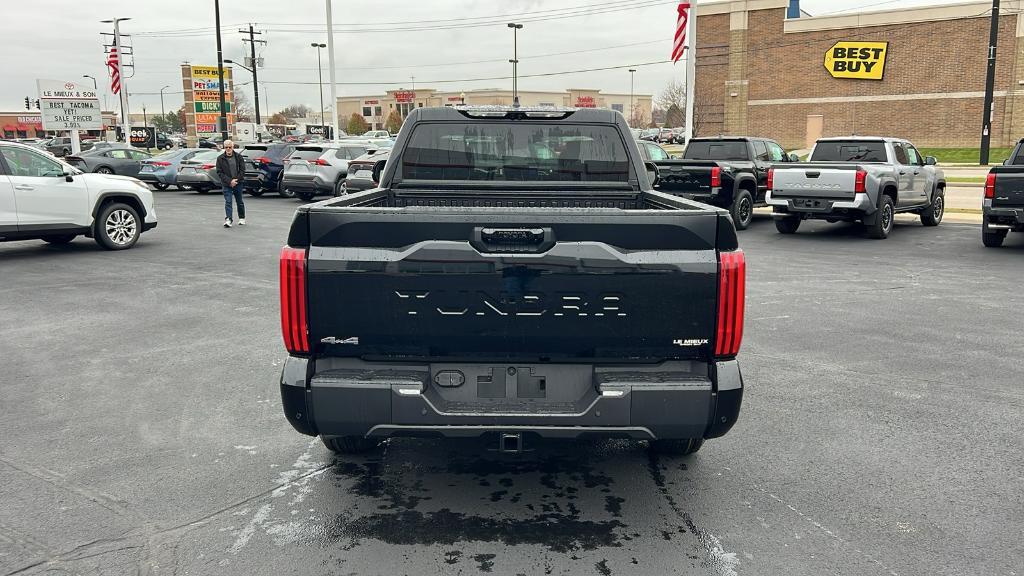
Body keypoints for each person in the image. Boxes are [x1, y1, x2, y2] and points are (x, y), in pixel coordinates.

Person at [215, 140, 246, 228]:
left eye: (230, 147)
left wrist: (236, 180)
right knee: (228, 201)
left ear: (233, 147)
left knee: (239, 201)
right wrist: (229, 181)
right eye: (226, 147)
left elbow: (242, 170)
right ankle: (228, 219)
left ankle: (242, 218)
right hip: (226, 184)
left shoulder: (238, 157)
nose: (228, 149)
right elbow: (219, 172)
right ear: (224, 148)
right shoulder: (220, 158)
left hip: (238, 183)